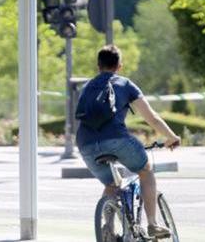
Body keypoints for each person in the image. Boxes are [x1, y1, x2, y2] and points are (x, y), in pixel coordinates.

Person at [76, 44, 181, 239]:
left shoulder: (86, 87)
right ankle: (152, 224)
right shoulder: (125, 84)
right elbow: (152, 118)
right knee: (145, 169)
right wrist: (171, 137)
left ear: (98, 66)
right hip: (116, 139)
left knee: (111, 184)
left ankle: (107, 227)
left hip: (85, 144)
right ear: (119, 66)